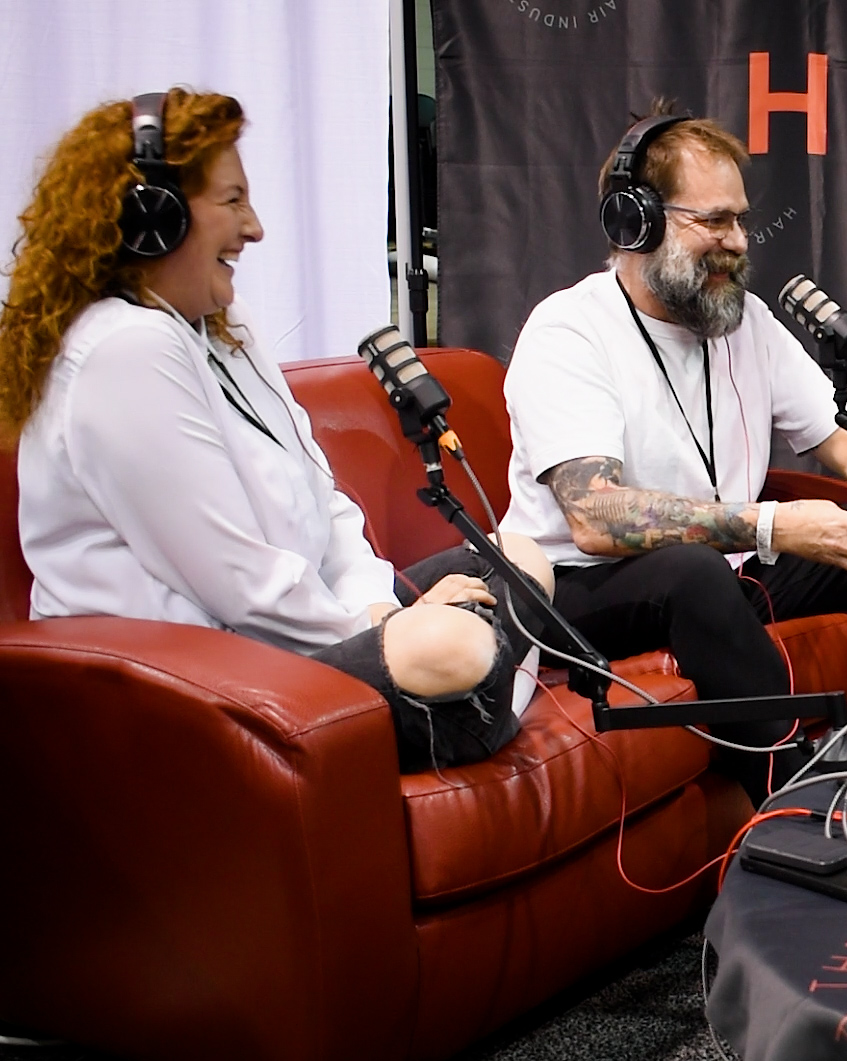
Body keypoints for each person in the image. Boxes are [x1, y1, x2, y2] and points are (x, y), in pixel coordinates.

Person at [1, 89, 555, 772]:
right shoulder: (122, 349)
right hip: (197, 680)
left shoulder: (222, 328)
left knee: (519, 561)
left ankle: (478, 703)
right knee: (451, 646)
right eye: (232, 201)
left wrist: (375, 605)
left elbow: (326, 501)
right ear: (154, 216)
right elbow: (238, 581)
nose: (255, 228)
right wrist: (388, 627)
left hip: (295, 635)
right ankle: (483, 694)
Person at [499, 105, 847, 798]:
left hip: (725, 574)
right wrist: (776, 525)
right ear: (636, 223)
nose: (740, 242)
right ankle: (797, 803)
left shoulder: (747, 323)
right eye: (714, 222)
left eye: (741, 220)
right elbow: (595, 516)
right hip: (577, 590)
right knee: (691, 573)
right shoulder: (567, 332)